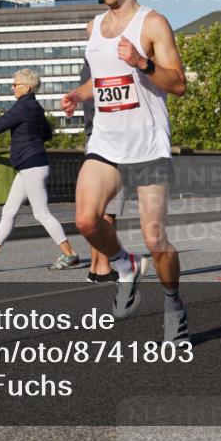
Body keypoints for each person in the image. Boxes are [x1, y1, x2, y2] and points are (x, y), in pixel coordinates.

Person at [60, 0, 189, 346]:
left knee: (156, 239)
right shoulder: (94, 28)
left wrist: (143, 63)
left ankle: (173, 304)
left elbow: (179, 83)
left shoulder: (153, 24)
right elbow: (102, 80)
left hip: (148, 147)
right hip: (106, 143)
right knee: (85, 219)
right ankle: (124, 264)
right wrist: (79, 95)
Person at [0, 69, 80, 271]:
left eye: (15, 84)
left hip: (32, 166)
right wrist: (30, 137)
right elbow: (47, 134)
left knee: (41, 212)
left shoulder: (24, 106)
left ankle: (70, 254)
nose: (12, 87)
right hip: (29, 165)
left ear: (28, 87)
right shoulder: (36, 108)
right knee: (9, 211)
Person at [80, 60, 123, 283]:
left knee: (96, 210)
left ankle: (96, 267)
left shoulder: (88, 65)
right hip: (110, 139)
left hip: (93, 138)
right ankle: (104, 267)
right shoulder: (106, 65)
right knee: (108, 212)